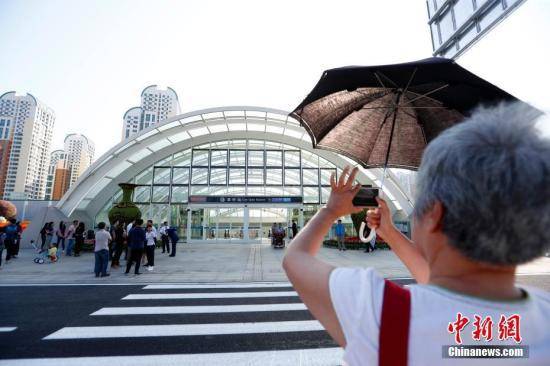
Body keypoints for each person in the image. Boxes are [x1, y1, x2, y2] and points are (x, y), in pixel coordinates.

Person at [283, 105, 550, 365]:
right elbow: (435, 279)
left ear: (434, 213)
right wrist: (388, 231)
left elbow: (295, 259)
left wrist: (330, 211)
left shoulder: (384, 313)